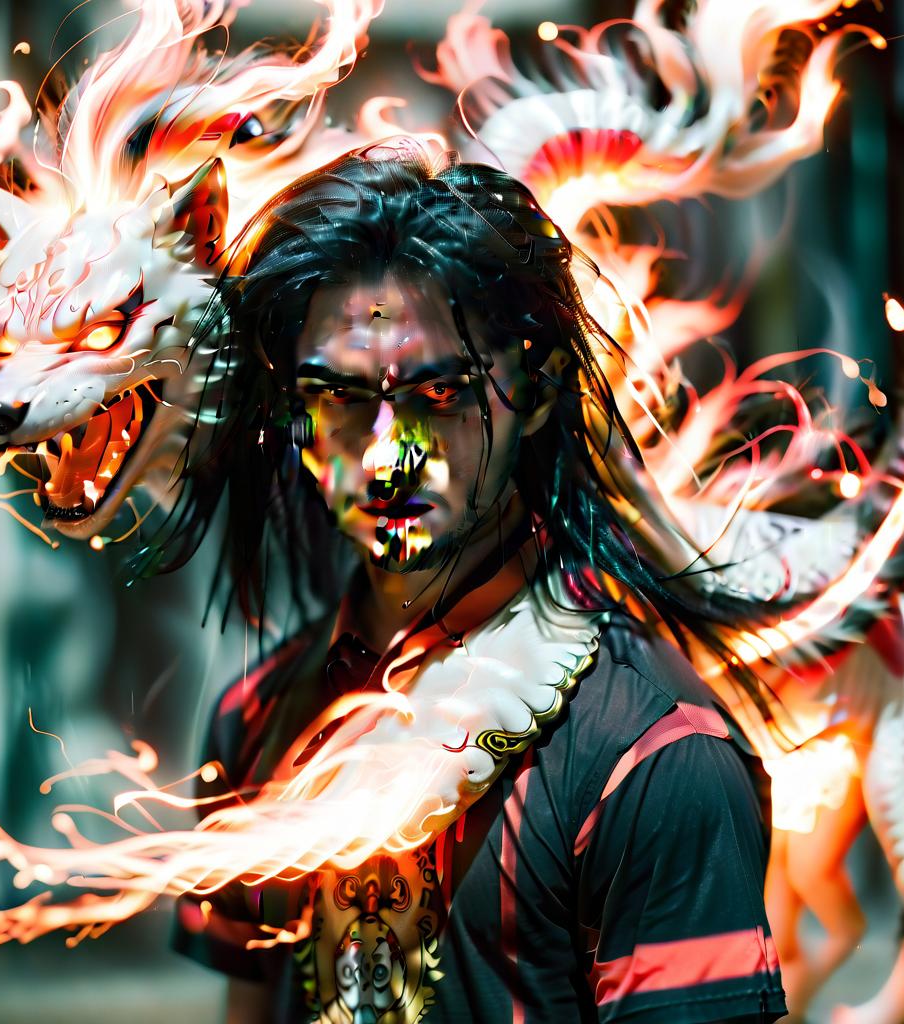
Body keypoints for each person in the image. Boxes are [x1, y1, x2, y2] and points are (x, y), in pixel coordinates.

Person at [170, 141, 788, 1024]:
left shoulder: (652, 756)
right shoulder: (257, 717)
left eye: (440, 394)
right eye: (340, 398)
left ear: (534, 390)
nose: (387, 454)